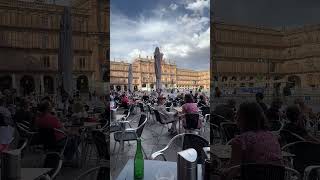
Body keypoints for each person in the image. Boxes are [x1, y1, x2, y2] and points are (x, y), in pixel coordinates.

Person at [229, 102, 283, 167]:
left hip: (252, 176)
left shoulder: (240, 141)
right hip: (276, 176)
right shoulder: (272, 137)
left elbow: (232, 170)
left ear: (241, 118)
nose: (236, 118)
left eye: (237, 115)